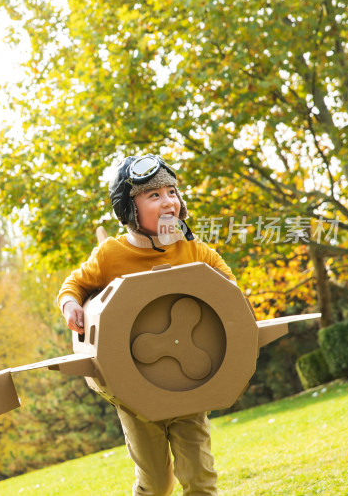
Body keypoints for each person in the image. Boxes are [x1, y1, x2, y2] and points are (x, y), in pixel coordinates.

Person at [58, 154, 233, 496]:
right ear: (129, 209)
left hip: (189, 385)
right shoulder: (110, 254)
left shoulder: (194, 250)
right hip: (136, 394)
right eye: (154, 196)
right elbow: (73, 285)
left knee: (201, 478)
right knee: (155, 482)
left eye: (171, 192)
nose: (168, 201)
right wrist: (71, 305)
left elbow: (229, 290)